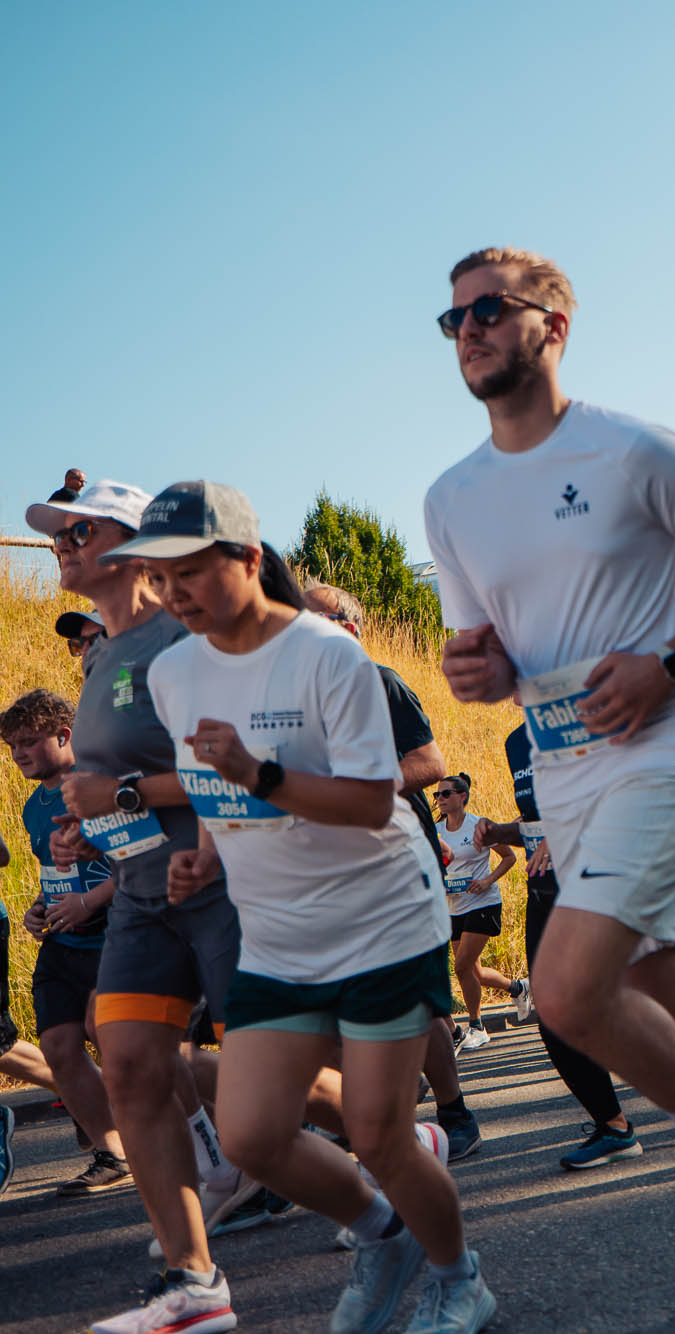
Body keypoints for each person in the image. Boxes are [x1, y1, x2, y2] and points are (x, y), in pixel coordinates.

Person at [423, 245, 675, 1324]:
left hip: (668, 742)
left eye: (489, 311)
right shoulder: (450, 497)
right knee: (671, 1020)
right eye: (452, 318)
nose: (468, 330)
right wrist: (483, 670)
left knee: (564, 988)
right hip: (562, 769)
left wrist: (673, 661)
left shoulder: (632, 447)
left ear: (553, 324)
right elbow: (489, 654)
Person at [112, 482, 492, 1334]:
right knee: (248, 1136)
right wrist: (203, 858)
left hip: (383, 920)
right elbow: (212, 783)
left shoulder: (329, 656)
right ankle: (383, 1232)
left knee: (379, 1130)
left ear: (249, 559)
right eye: (159, 578)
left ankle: (458, 1278)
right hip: (279, 935)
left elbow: (367, 802)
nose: (173, 596)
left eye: (190, 573)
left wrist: (261, 775)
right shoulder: (174, 671)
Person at [27, 479, 263, 1328]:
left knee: (266, 1089)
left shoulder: (181, 641)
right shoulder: (99, 663)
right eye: (56, 536)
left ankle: (393, 1152)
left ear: (130, 548)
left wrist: (117, 798)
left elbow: (222, 768)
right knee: (126, 1062)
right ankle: (193, 1282)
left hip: (218, 882)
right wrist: (82, 834)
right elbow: (108, 793)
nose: (62, 544)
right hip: (136, 893)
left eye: (79, 530)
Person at [305, 580, 486, 1162]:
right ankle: (353, 1120)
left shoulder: (378, 682)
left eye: (316, 618)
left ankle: (455, 1114)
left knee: (417, 997)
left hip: (398, 862)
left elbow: (429, 763)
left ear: (350, 632)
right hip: (333, 869)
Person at [471, 725, 641, 1168]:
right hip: (545, 893)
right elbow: (535, 822)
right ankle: (614, 1125)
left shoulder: (581, 720)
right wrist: (497, 831)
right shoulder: (514, 741)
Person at [4, 688, 130, 1196]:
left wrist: (90, 903)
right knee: (57, 1045)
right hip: (62, 942)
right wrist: (39, 908)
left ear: (65, 735)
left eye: (30, 742)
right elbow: (55, 873)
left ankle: (198, 1132)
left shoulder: (102, 787)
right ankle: (112, 1153)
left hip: (117, 934)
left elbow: (139, 863)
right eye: (12, 746)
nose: (19, 755)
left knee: (111, 1035)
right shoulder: (36, 805)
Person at [432, 776, 523, 1049]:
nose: (439, 799)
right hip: (454, 905)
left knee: (460, 966)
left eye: (446, 793)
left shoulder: (477, 826)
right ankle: (518, 989)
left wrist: (487, 881)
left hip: (483, 903)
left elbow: (509, 857)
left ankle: (476, 1027)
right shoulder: (435, 829)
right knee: (475, 972)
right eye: (436, 795)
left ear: (463, 796)